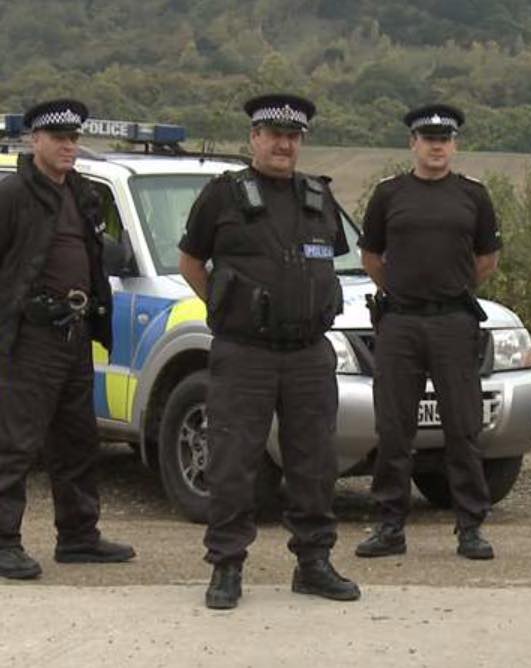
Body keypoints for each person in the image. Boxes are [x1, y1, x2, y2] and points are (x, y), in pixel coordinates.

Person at [178, 93, 360, 609]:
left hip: (308, 354)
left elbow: (330, 264)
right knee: (233, 462)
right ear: (254, 137)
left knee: (314, 462)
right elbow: (191, 262)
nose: (284, 144)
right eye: (274, 134)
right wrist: (229, 306)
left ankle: (313, 563)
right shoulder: (223, 195)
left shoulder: (318, 197)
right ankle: (227, 566)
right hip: (245, 353)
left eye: (293, 136)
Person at [355, 104, 502, 561]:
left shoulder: (473, 195)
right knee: (394, 428)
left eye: (444, 139)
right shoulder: (389, 193)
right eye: (428, 138)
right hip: (400, 322)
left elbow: (487, 259)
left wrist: (451, 289)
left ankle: (470, 527)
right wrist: (403, 291)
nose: (436, 146)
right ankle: (389, 526)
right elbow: (371, 256)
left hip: (453, 322)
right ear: (413, 143)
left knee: (463, 426)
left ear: (454, 145)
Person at [0, 99, 136, 580]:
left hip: (76, 333)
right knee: (15, 443)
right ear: (35, 140)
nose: (68, 146)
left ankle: (78, 536)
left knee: (77, 440)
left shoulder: (82, 193)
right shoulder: (13, 194)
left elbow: (97, 256)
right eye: (59, 138)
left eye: (74, 138)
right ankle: (4, 542)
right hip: (32, 335)